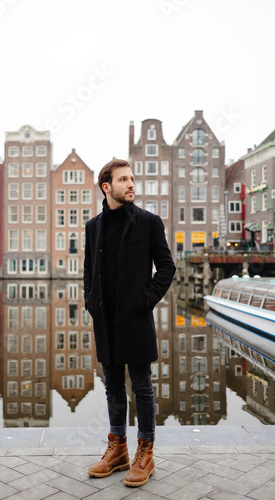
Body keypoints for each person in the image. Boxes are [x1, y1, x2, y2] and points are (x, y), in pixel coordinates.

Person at [83, 159, 176, 487]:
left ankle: (145, 453)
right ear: (107, 187)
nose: (132, 184)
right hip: (105, 318)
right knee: (112, 386)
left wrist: (146, 299)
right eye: (124, 179)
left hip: (136, 317)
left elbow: (166, 268)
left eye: (133, 178)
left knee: (142, 386)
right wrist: (90, 300)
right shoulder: (93, 226)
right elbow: (88, 269)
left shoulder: (149, 223)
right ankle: (117, 449)